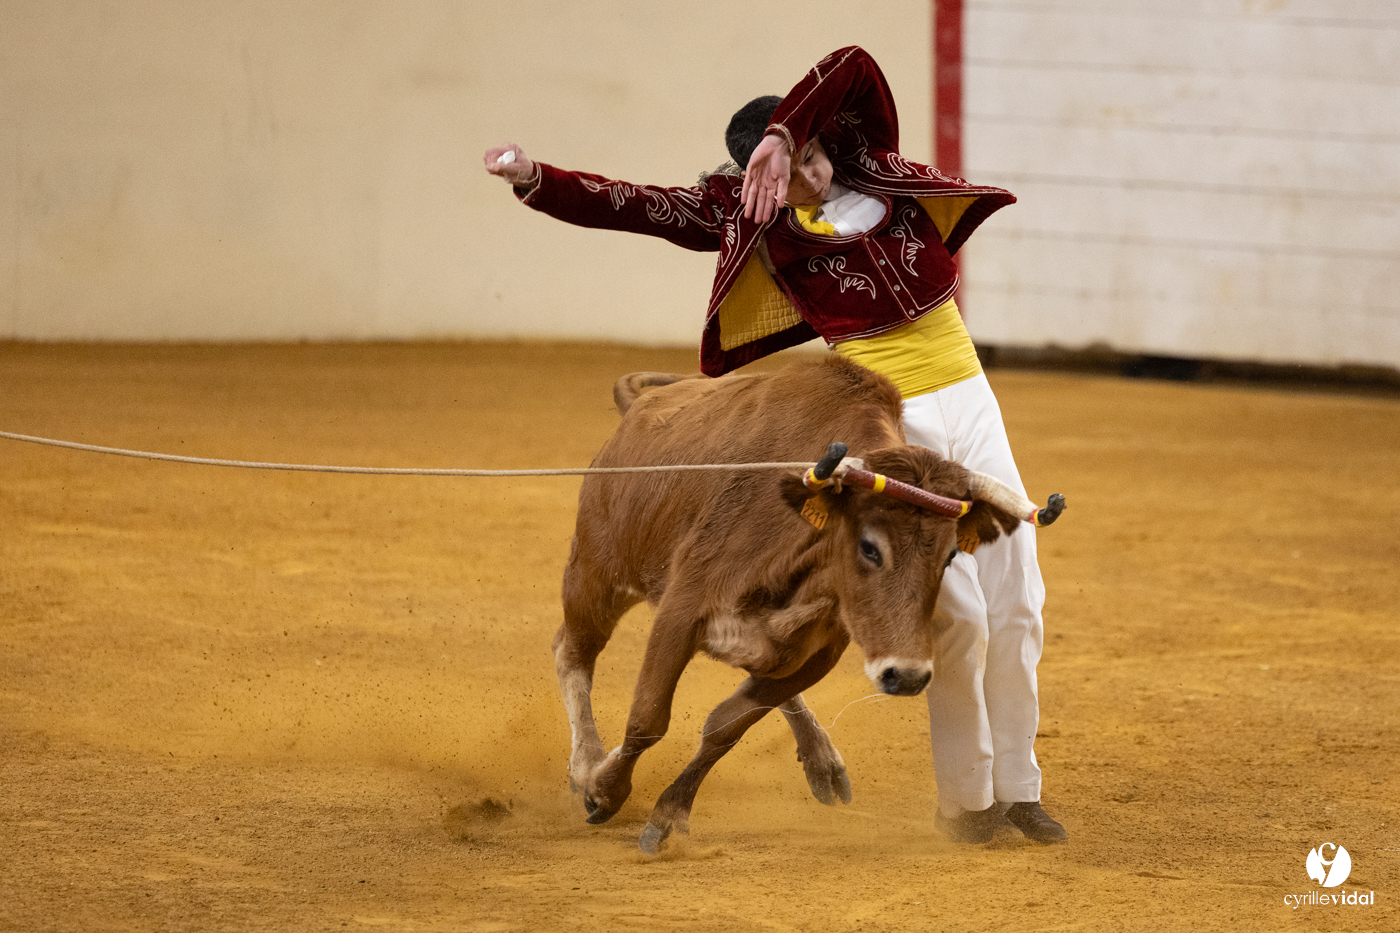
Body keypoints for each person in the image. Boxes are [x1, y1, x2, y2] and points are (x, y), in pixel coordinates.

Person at [484, 46, 1066, 845]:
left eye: (814, 158)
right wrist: (535, 179)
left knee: (1021, 591)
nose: (813, 178)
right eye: (792, 174)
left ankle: (1022, 786)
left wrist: (787, 132)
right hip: (890, 423)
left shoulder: (868, 156)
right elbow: (636, 206)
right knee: (956, 610)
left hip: (970, 395)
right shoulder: (747, 214)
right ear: (760, 183)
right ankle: (970, 802)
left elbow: (854, 63)